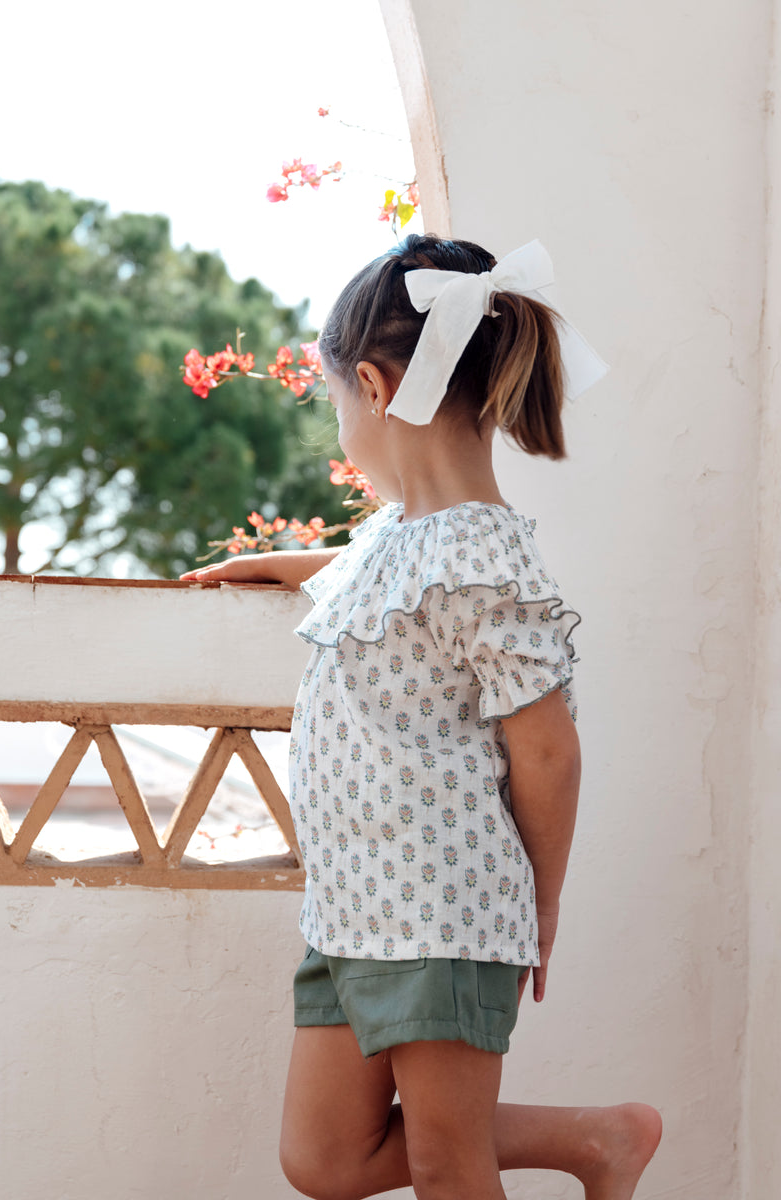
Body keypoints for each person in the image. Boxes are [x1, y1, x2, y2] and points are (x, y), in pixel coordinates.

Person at [181, 235, 662, 1200]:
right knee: (322, 1159)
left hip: (445, 908)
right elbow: (369, 580)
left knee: (448, 1160)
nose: (339, 430)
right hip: (353, 909)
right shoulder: (398, 539)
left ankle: (600, 1143)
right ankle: (597, 1139)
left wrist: (544, 899)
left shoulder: (488, 559)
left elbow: (548, 752)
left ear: (368, 383)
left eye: (334, 406)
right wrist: (266, 564)